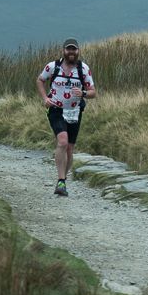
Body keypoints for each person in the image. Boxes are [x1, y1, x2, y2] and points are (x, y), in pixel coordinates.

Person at [35, 38, 96, 197]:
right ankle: (61, 181)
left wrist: (82, 93)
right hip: (56, 109)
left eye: (74, 50)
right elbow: (40, 80)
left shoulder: (83, 69)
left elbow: (93, 92)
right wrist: (45, 98)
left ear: (78, 51)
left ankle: (63, 179)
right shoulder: (53, 67)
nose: (71, 52)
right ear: (63, 50)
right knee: (62, 141)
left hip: (75, 111)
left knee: (69, 148)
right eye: (68, 49)